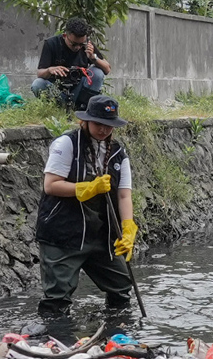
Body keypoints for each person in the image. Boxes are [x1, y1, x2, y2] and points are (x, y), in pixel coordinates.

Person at [35, 94, 139, 316]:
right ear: (86, 120)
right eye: (98, 123)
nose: (103, 130)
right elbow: (51, 185)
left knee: (121, 287)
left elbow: (123, 195)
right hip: (63, 231)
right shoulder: (67, 144)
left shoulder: (119, 153)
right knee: (57, 297)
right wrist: (86, 188)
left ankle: (115, 333)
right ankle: (56, 341)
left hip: (100, 233)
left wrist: (128, 227)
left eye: (109, 125)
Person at [32, 17, 111, 111]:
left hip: (79, 92)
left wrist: (93, 58)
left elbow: (107, 69)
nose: (78, 47)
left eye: (81, 44)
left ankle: (82, 107)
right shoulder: (51, 44)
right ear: (65, 35)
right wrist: (50, 70)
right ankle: (59, 108)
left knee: (97, 72)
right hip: (57, 90)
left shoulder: (87, 45)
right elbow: (40, 73)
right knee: (37, 84)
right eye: (74, 44)